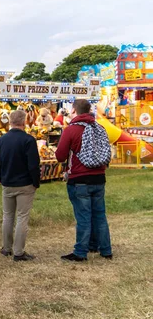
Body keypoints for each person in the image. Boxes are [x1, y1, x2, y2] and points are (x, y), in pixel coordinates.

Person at [55, 99, 112, 262]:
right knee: (100, 215)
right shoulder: (100, 128)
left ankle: (81, 251)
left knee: (83, 216)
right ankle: (105, 249)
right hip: (99, 177)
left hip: (79, 178)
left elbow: (60, 156)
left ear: (74, 110)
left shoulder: (71, 130)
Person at [0, 110, 40, 262]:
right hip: (25, 183)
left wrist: (1, 177)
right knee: (22, 217)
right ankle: (18, 251)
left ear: (10, 121)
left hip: (7, 183)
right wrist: (35, 182)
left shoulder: (1, 140)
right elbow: (33, 164)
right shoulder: (28, 140)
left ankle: (6, 247)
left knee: (8, 216)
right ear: (24, 122)